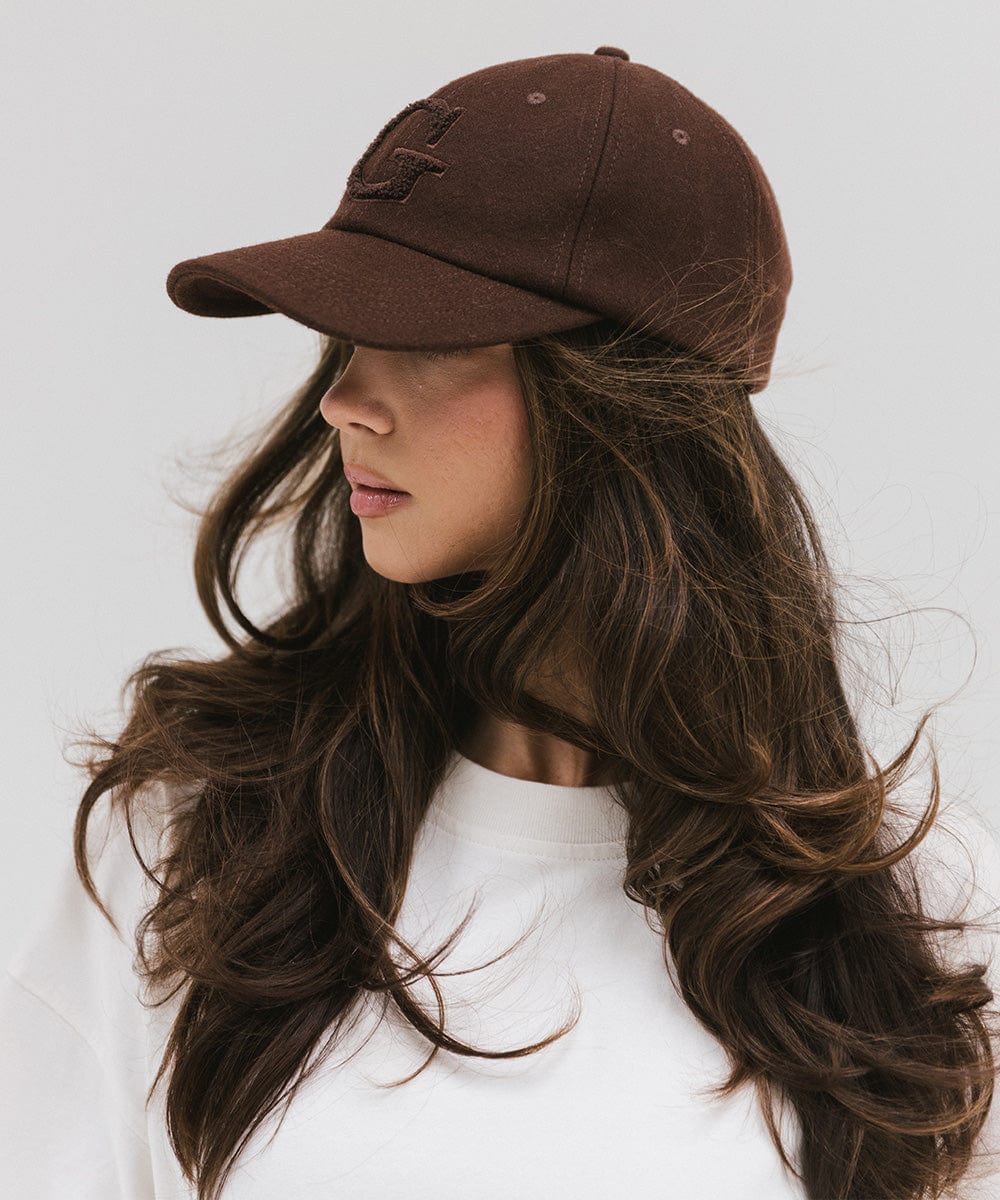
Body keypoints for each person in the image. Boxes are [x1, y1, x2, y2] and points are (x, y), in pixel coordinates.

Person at [2, 45, 999, 1200]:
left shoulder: (911, 910)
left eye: (425, 339)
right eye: (346, 335)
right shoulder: (196, 835)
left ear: (622, 402)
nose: (342, 402)